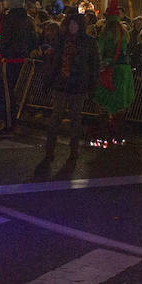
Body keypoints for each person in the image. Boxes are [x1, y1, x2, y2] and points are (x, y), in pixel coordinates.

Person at [39, 10, 98, 168]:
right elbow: (55, 63)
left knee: (75, 119)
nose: (72, 27)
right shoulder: (62, 40)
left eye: (75, 24)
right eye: (70, 24)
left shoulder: (89, 42)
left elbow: (93, 66)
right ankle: (49, 150)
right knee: (55, 117)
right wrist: (48, 82)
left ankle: (73, 151)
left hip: (78, 85)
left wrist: (92, 87)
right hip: (61, 83)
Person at [93, 0, 136, 146]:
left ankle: (104, 135)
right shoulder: (123, 32)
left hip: (110, 71)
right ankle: (118, 135)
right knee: (121, 104)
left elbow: (100, 51)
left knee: (103, 103)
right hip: (124, 71)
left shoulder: (106, 34)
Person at [0, 0, 36, 133]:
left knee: (8, 94)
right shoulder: (28, 20)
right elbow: (33, 39)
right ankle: (17, 122)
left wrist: (4, 53)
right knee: (19, 93)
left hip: (10, 60)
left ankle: (9, 124)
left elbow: (5, 39)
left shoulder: (9, 19)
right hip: (24, 60)